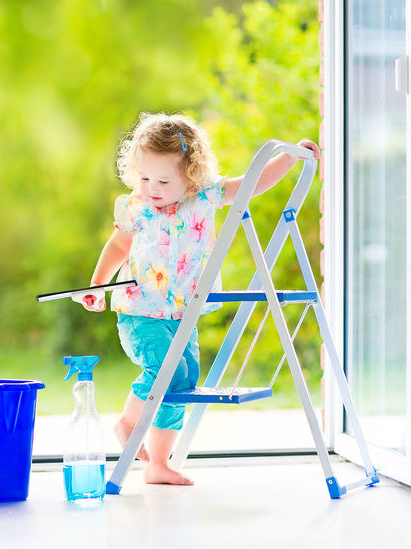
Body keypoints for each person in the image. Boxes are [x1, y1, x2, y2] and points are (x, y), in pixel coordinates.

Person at [73, 112, 320, 486]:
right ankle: (128, 423)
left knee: (182, 384)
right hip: (141, 313)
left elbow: (252, 184)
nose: (151, 187)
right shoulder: (136, 207)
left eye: (162, 180)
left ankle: (158, 462)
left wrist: (289, 158)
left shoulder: (206, 196)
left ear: (190, 174)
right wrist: (97, 283)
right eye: (143, 177)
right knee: (163, 372)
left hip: (183, 315)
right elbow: (119, 245)